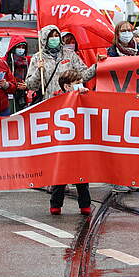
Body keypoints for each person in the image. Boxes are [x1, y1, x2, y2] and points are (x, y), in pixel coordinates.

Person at [49, 69, 92, 216]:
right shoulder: (56, 99)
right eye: (77, 83)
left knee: (82, 176)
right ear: (67, 86)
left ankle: (85, 204)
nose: (81, 85)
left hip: (79, 143)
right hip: (62, 145)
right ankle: (56, 204)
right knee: (60, 176)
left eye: (81, 82)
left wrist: (87, 96)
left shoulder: (83, 97)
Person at [27, 25, 98, 101]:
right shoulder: (37, 58)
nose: (54, 38)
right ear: (45, 39)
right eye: (51, 36)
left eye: (56, 35)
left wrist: (97, 65)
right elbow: (31, 86)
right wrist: (38, 71)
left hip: (70, 101)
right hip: (49, 103)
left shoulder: (70, 54)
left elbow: (83, 75)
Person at [5, 36, 30, 113]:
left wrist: (27, 85)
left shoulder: (28, 61)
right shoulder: (4, 61)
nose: (21, 49)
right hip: (7, 97)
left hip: (23, 97)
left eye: (23, 47)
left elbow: (33, 78)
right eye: (19, 47)